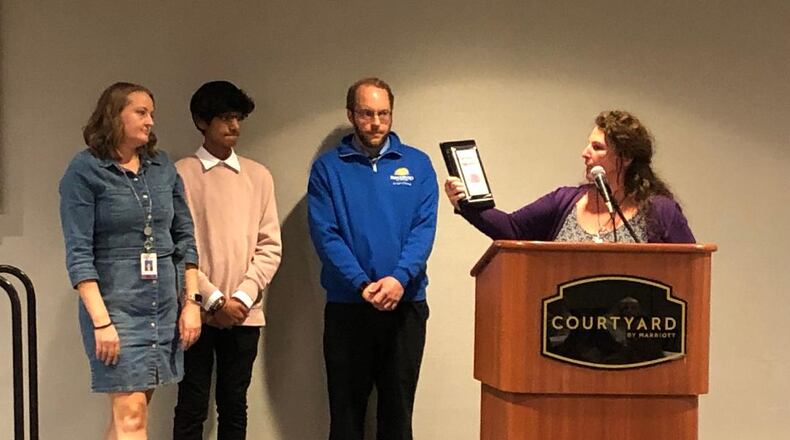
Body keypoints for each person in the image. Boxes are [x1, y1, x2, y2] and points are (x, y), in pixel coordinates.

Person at [59, 82, 201, 440]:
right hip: (116, 310)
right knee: (132, 417)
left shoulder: (162, 166)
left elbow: (185, 238)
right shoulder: (85, 170)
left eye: (151, 113)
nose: (150, 120)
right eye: (141, 112)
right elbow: (79, 253)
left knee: (131, 415)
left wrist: (192, 302)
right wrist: (101, 322)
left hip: (162, 305)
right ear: (114, 115)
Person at [308, 77, 439, 440]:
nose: (376, 123)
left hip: (406, 305)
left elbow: (423, 231)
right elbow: (326, 235)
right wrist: (362, 284)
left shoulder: (418, 164)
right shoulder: (327, 169)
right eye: (366, 114)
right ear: (351, 114)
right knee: (347, 417)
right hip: (349, 307)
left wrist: (398, 279)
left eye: (383, 113)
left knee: (397, 417)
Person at [172, 80, 282, 439]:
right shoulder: (180, 173)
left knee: (234, 404)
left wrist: (242, 298)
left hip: (244, 314)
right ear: (201, 121)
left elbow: (270, 247)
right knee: (191, 403)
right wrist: (214, 298)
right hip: (196, 312)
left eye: (237, 117)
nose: (233, 126)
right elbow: (176, 246)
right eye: (224, 117)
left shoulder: (258, 175)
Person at [445, 110, 695, 243]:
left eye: (598, 148)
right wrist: (465, 203)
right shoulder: (564, 201)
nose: (585, 154)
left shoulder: (660, 211)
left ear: (626, 157)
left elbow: (688, 270)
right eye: (588, 145)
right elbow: (512, 229)